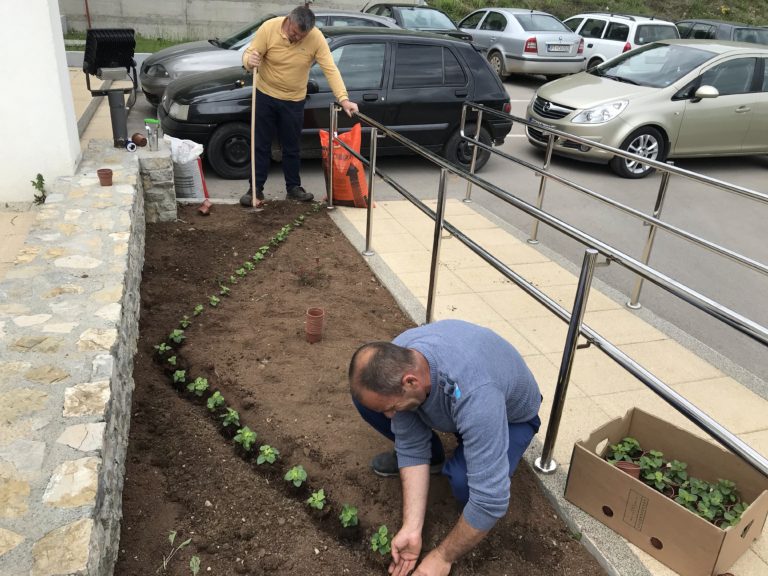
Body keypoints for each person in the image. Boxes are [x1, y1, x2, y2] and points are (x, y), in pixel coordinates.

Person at [349, 319, 542, 576]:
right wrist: (411, 528)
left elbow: (490, 501)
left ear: (411, 382)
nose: (389, 418)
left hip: (511, 417)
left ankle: (477, 447)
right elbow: (410, 445)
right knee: (368, 402)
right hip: (462, 404)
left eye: (392, 408)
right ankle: (437, 457)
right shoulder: (397, 358)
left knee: (466, 485)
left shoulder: (476, 395)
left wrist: (442, 557)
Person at [240, 5, 359, 207]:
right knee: (260, 144)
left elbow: (330, 68)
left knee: (292, 146)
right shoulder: (269, 28)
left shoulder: (316, 38)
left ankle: (293, 188)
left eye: (301, 36)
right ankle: (256, 189)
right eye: (294, 33)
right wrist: (249, 60)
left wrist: (343, 98)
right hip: (265, 95)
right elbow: (250, 55)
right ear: (288, 20)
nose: (296, 38)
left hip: (294, 100)